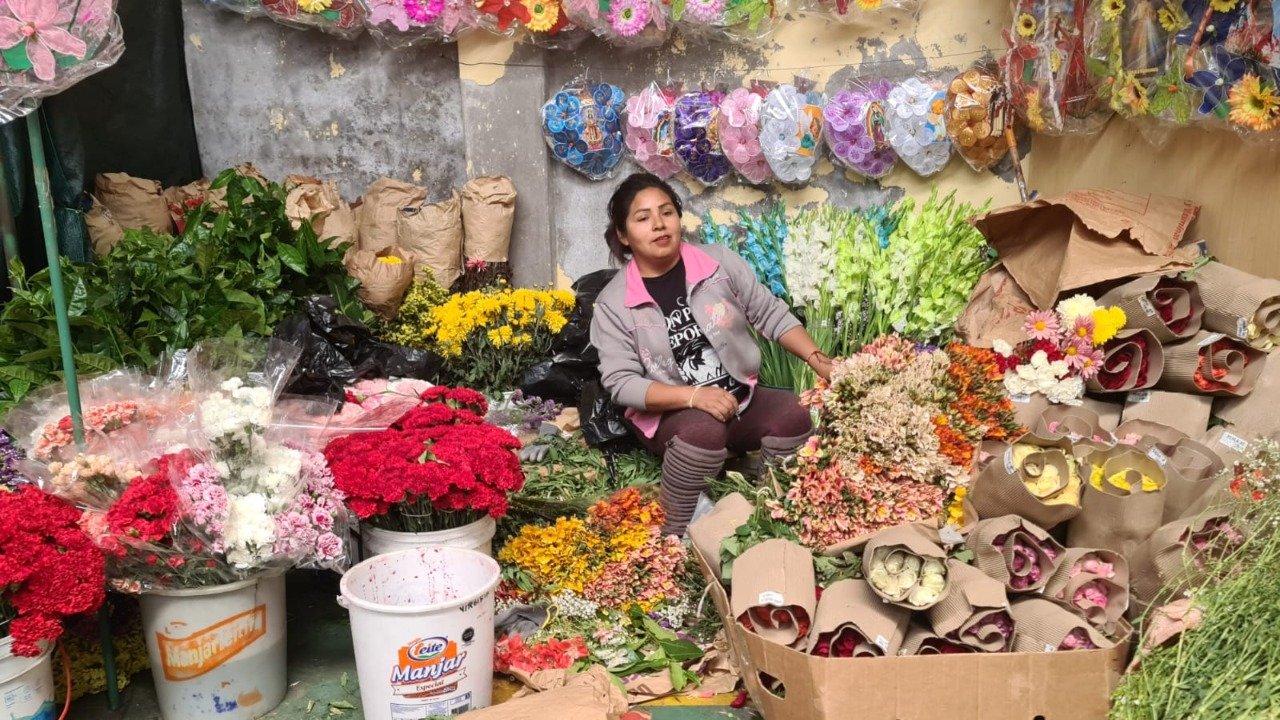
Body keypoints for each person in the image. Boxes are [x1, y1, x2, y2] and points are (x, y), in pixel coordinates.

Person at [590, 172, 833, 536]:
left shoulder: (717, 263)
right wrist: (694, 397)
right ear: (623, 235)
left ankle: (775, 515)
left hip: (738, 399)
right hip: (673, 415)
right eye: (643, 218)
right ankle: (675, 532)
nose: (658, 224)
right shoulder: (614, 302)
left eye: (667, 212)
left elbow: (769, 313)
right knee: (704, 431)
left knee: (794, 415)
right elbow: (622, 385)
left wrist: (819, 360)